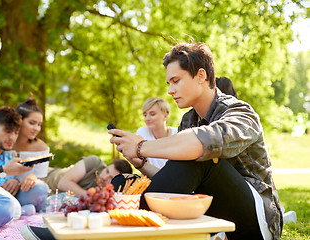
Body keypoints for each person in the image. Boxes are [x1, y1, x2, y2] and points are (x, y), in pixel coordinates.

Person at [109, 41, 282, 240]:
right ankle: (128, 215)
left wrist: (140, 147)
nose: (170, 90)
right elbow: (177, 180)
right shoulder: (188, 120)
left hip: (256, 221)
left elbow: (199, 145)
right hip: (212, 209)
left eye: (176, 81)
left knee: (202, 155)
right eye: (169, 83)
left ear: (201, 76)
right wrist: (142, 164)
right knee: (123, 181)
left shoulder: (240, 112)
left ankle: (128, 224)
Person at [13, 98, 49, 213]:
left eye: (39, 124)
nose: (36, 129)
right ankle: (20, 211)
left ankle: (17, 210)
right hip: (3, 190)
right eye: (32, 123)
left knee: (40, 187)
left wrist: (34, 177)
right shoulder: (4, 142)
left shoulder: (42, 148)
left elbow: (41, 179)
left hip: (25, 194)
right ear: (19, 120)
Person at [45, 155, 133, 197]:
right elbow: (63, 183)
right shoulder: (94, 162)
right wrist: (89, 196)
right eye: (107, 171)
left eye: (111, 178)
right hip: (44, 177)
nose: (104, 178)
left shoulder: (108, 194)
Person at [136, 97, 178, 169]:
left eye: (152, 114)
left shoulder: (178, 133)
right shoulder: (142, 132)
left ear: (165, 116)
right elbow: (144, 165)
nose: (147, 119)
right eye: (145, 115)